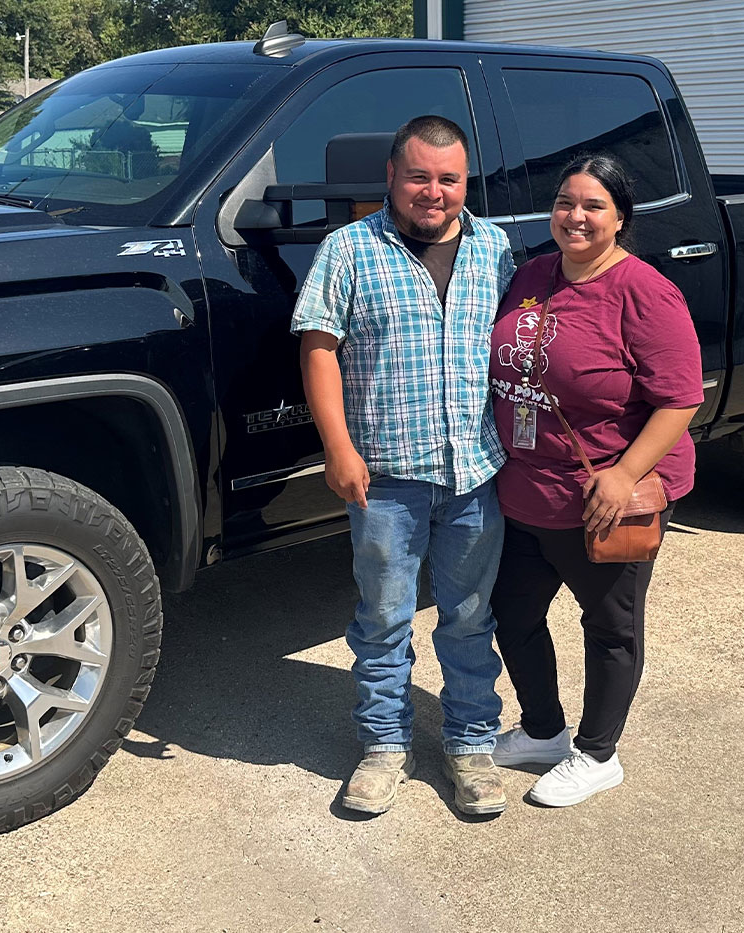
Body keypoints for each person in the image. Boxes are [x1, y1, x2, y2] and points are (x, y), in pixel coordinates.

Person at [292, 115, 517, 816]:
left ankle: (471, 742)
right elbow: (319, 346)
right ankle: (385, 745)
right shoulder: (349, 250)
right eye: (419, 176)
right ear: (391, 176)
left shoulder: (496, 249)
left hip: (476, 472)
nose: (434, 191)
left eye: (448, 178)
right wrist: (337, 445)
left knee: (471, 615)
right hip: (384, 476)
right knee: (383, 616)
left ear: (464, 181)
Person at [486, 153, 703, 807]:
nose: (574, 216)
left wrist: (625, 474)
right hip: (523, 489)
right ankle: (545, 730)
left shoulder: (644, 292)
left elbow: (680, 399)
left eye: (592, 206)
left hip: (602, 501)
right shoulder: (531, 274)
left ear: (619, 218)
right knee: (512, 614)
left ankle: (598, 752)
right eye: (564, 202)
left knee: (610, 627)